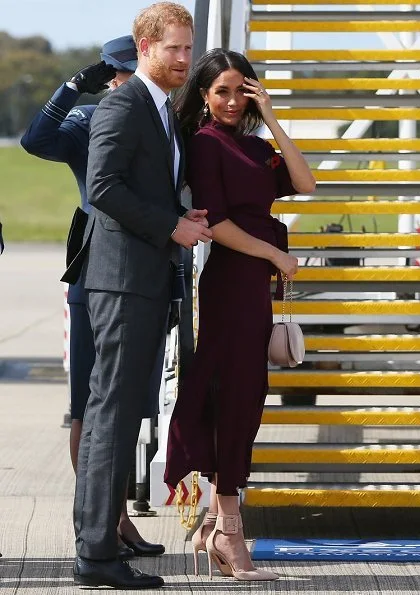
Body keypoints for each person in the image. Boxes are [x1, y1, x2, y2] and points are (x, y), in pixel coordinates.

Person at [62, 3, 212, 589]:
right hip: (122, 280)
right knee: (112, 416)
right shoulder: (123, 105)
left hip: (142, 277)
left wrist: (179, 215)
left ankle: (95, 545)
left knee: (114, 418)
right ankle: (96, 555)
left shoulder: (160, 110)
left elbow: (142, 187)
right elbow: (102, 188)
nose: (183, 59)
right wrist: (169, 226)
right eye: (173, 48)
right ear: (143, 46)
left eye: (187, 48)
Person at [164, 48, 315, 581]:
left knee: (247, 398)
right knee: (233, 397)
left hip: (256, 287)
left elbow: (304, 183)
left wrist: (270, 116)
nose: (231, 101)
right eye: (220, 91)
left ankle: (215, 524)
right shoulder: (205, 145)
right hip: (232, 281)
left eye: (239, 90)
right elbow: (218, 223)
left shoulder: (255, 145)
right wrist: (275, 255)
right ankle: (228, 531)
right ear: (204, 97)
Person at [20, 35, 165, 562]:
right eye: (122, 73)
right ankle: (107, 521)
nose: (132, 81)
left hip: (148, 271)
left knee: (132, 403)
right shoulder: (89, 121)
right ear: (110, 76)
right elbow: (35, 141)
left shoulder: (162, 118)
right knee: (89, 403)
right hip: (95, 269)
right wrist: (71, 87)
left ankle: (115, 516)